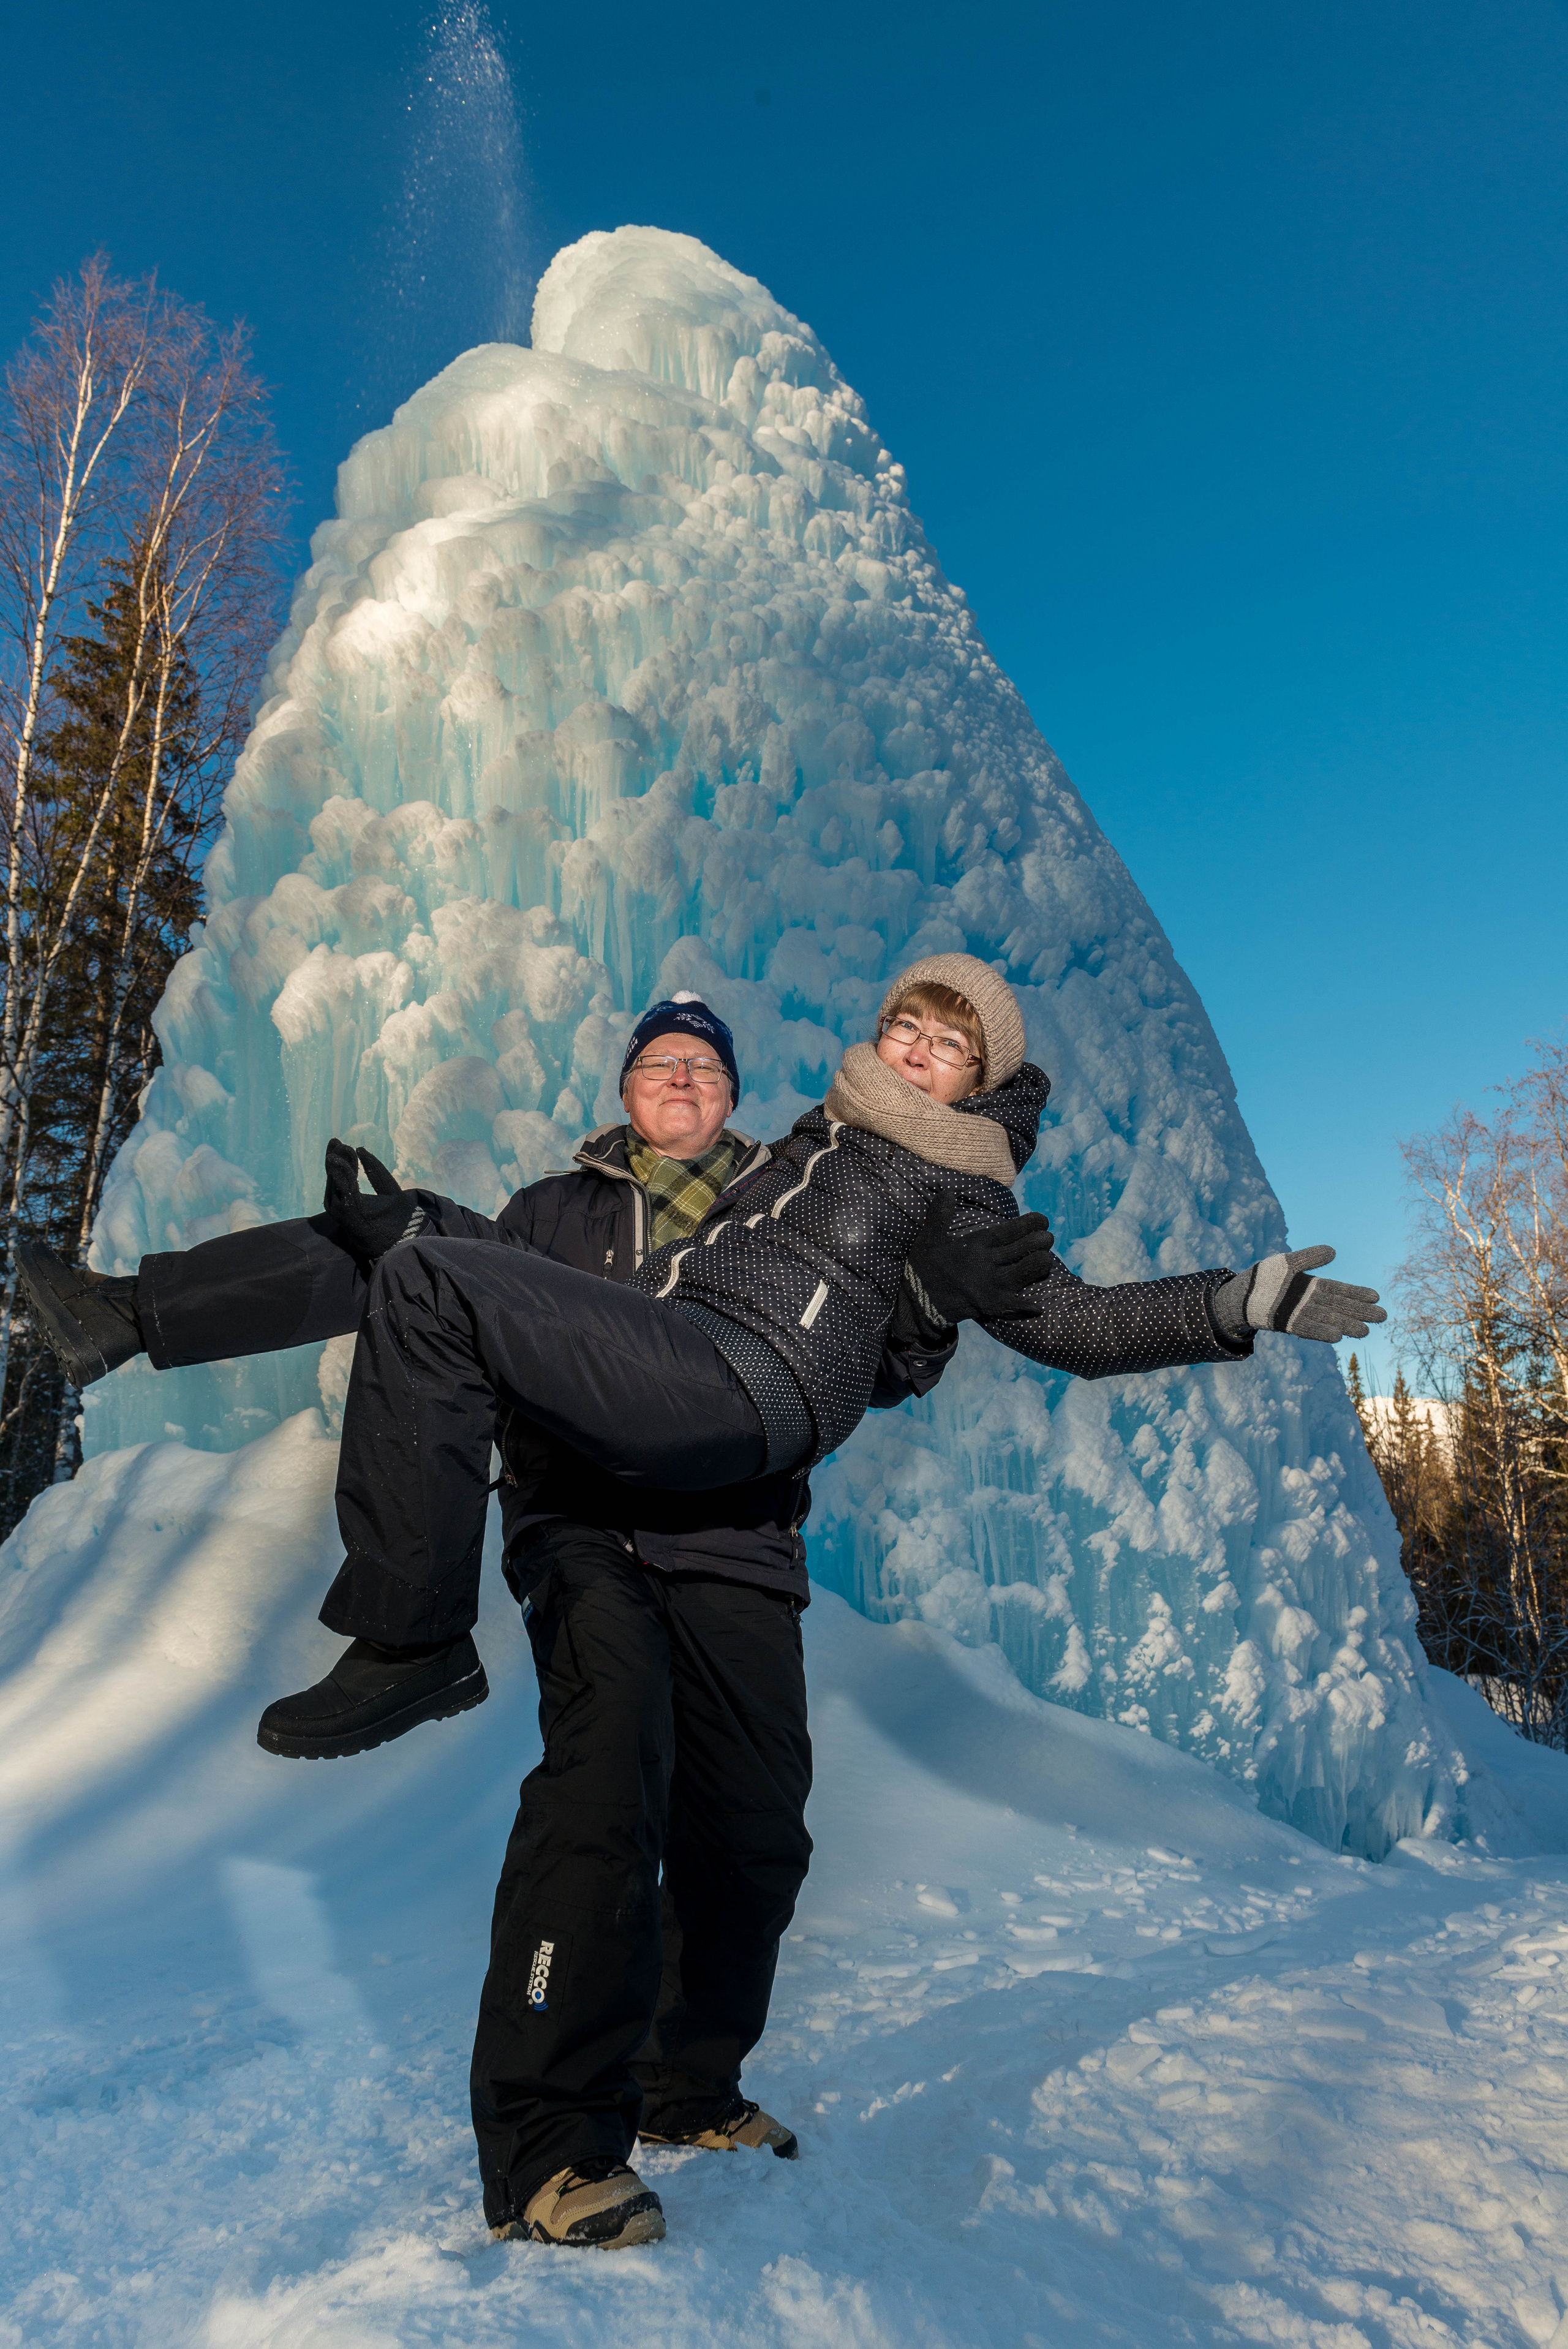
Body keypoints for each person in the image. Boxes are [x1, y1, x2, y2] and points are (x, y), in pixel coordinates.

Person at [20, 952, 1385, 2250]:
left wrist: (1233, 1301)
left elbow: (1043, 1323)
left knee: (751, 1834)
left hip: (729, 1486)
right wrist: (402, 1237)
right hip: (596, 1503)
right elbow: (633, 1295)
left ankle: (685, 2075)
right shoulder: (728, 1167)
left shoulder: (938, 1178)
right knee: (429, 1277)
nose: (916, 1049)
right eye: (907, 1024)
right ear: (626, 1086)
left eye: (949, 1042)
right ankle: (555, 2137)